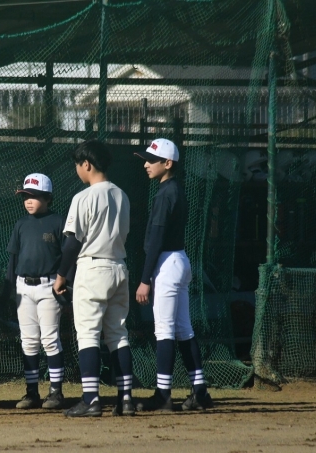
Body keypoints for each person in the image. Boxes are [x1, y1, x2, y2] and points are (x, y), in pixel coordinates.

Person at [54, 139, 135, 418]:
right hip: (119, 267)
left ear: (86, 164)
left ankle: (91, 399)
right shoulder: (122, 195)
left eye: (78, 165)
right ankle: (126, 398)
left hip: (92, 268)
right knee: (118, 335)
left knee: (88, 334)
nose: (78, 170)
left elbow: (72, 244)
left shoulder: (83, 197)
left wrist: (61, 276)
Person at [134, 138, 214, 412]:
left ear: (168, 163)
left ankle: (163, 395)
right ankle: (200, 392)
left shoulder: (164, 194)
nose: (146, 164)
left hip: (167, 263)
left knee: (165, 330)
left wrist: (144, 279)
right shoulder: (176, 189)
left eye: (151, 160)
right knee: (183, 330)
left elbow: (156, 238)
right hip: (179, 259)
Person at [4, 173, 66, 410]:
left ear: (48, 198)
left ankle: (56, 392)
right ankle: (31, 392)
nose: (28, 201)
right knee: (29, 341)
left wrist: (66, 283)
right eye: (25, 196)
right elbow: (13, 259)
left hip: (49, 286)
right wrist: (9, 289)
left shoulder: (58, 222)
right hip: (23, 286)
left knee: (50, 339)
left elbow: (68, 256)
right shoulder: (21, 224)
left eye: (34, 196)